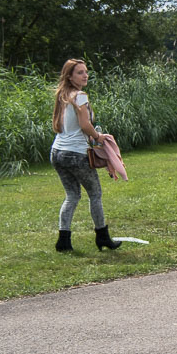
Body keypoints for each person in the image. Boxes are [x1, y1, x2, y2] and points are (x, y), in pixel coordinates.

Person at [49, 59, 121, 251]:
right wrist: (98, 137)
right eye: (80, 72)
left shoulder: (62, 96)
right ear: (69, 76)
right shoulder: (80, 96)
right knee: (95, 194)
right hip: (75, 154)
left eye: (86, 72)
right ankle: (102, 237)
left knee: (72, 195)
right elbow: (84, 125)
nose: (85, 75)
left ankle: (63, 241)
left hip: (57, 153)